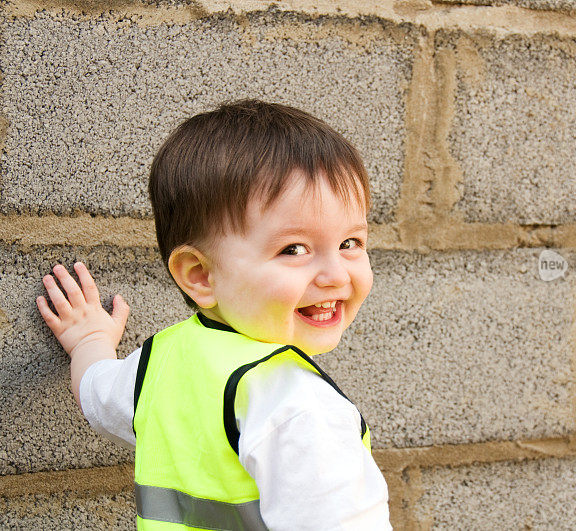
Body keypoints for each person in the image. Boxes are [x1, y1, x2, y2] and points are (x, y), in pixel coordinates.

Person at [36, 99, 391, 530]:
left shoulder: (159, 365)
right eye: (293, 249)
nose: (336, 275)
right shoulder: (299, 411)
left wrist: (89, 340)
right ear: (200, 275)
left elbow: (95, 394)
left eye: (350, 242)